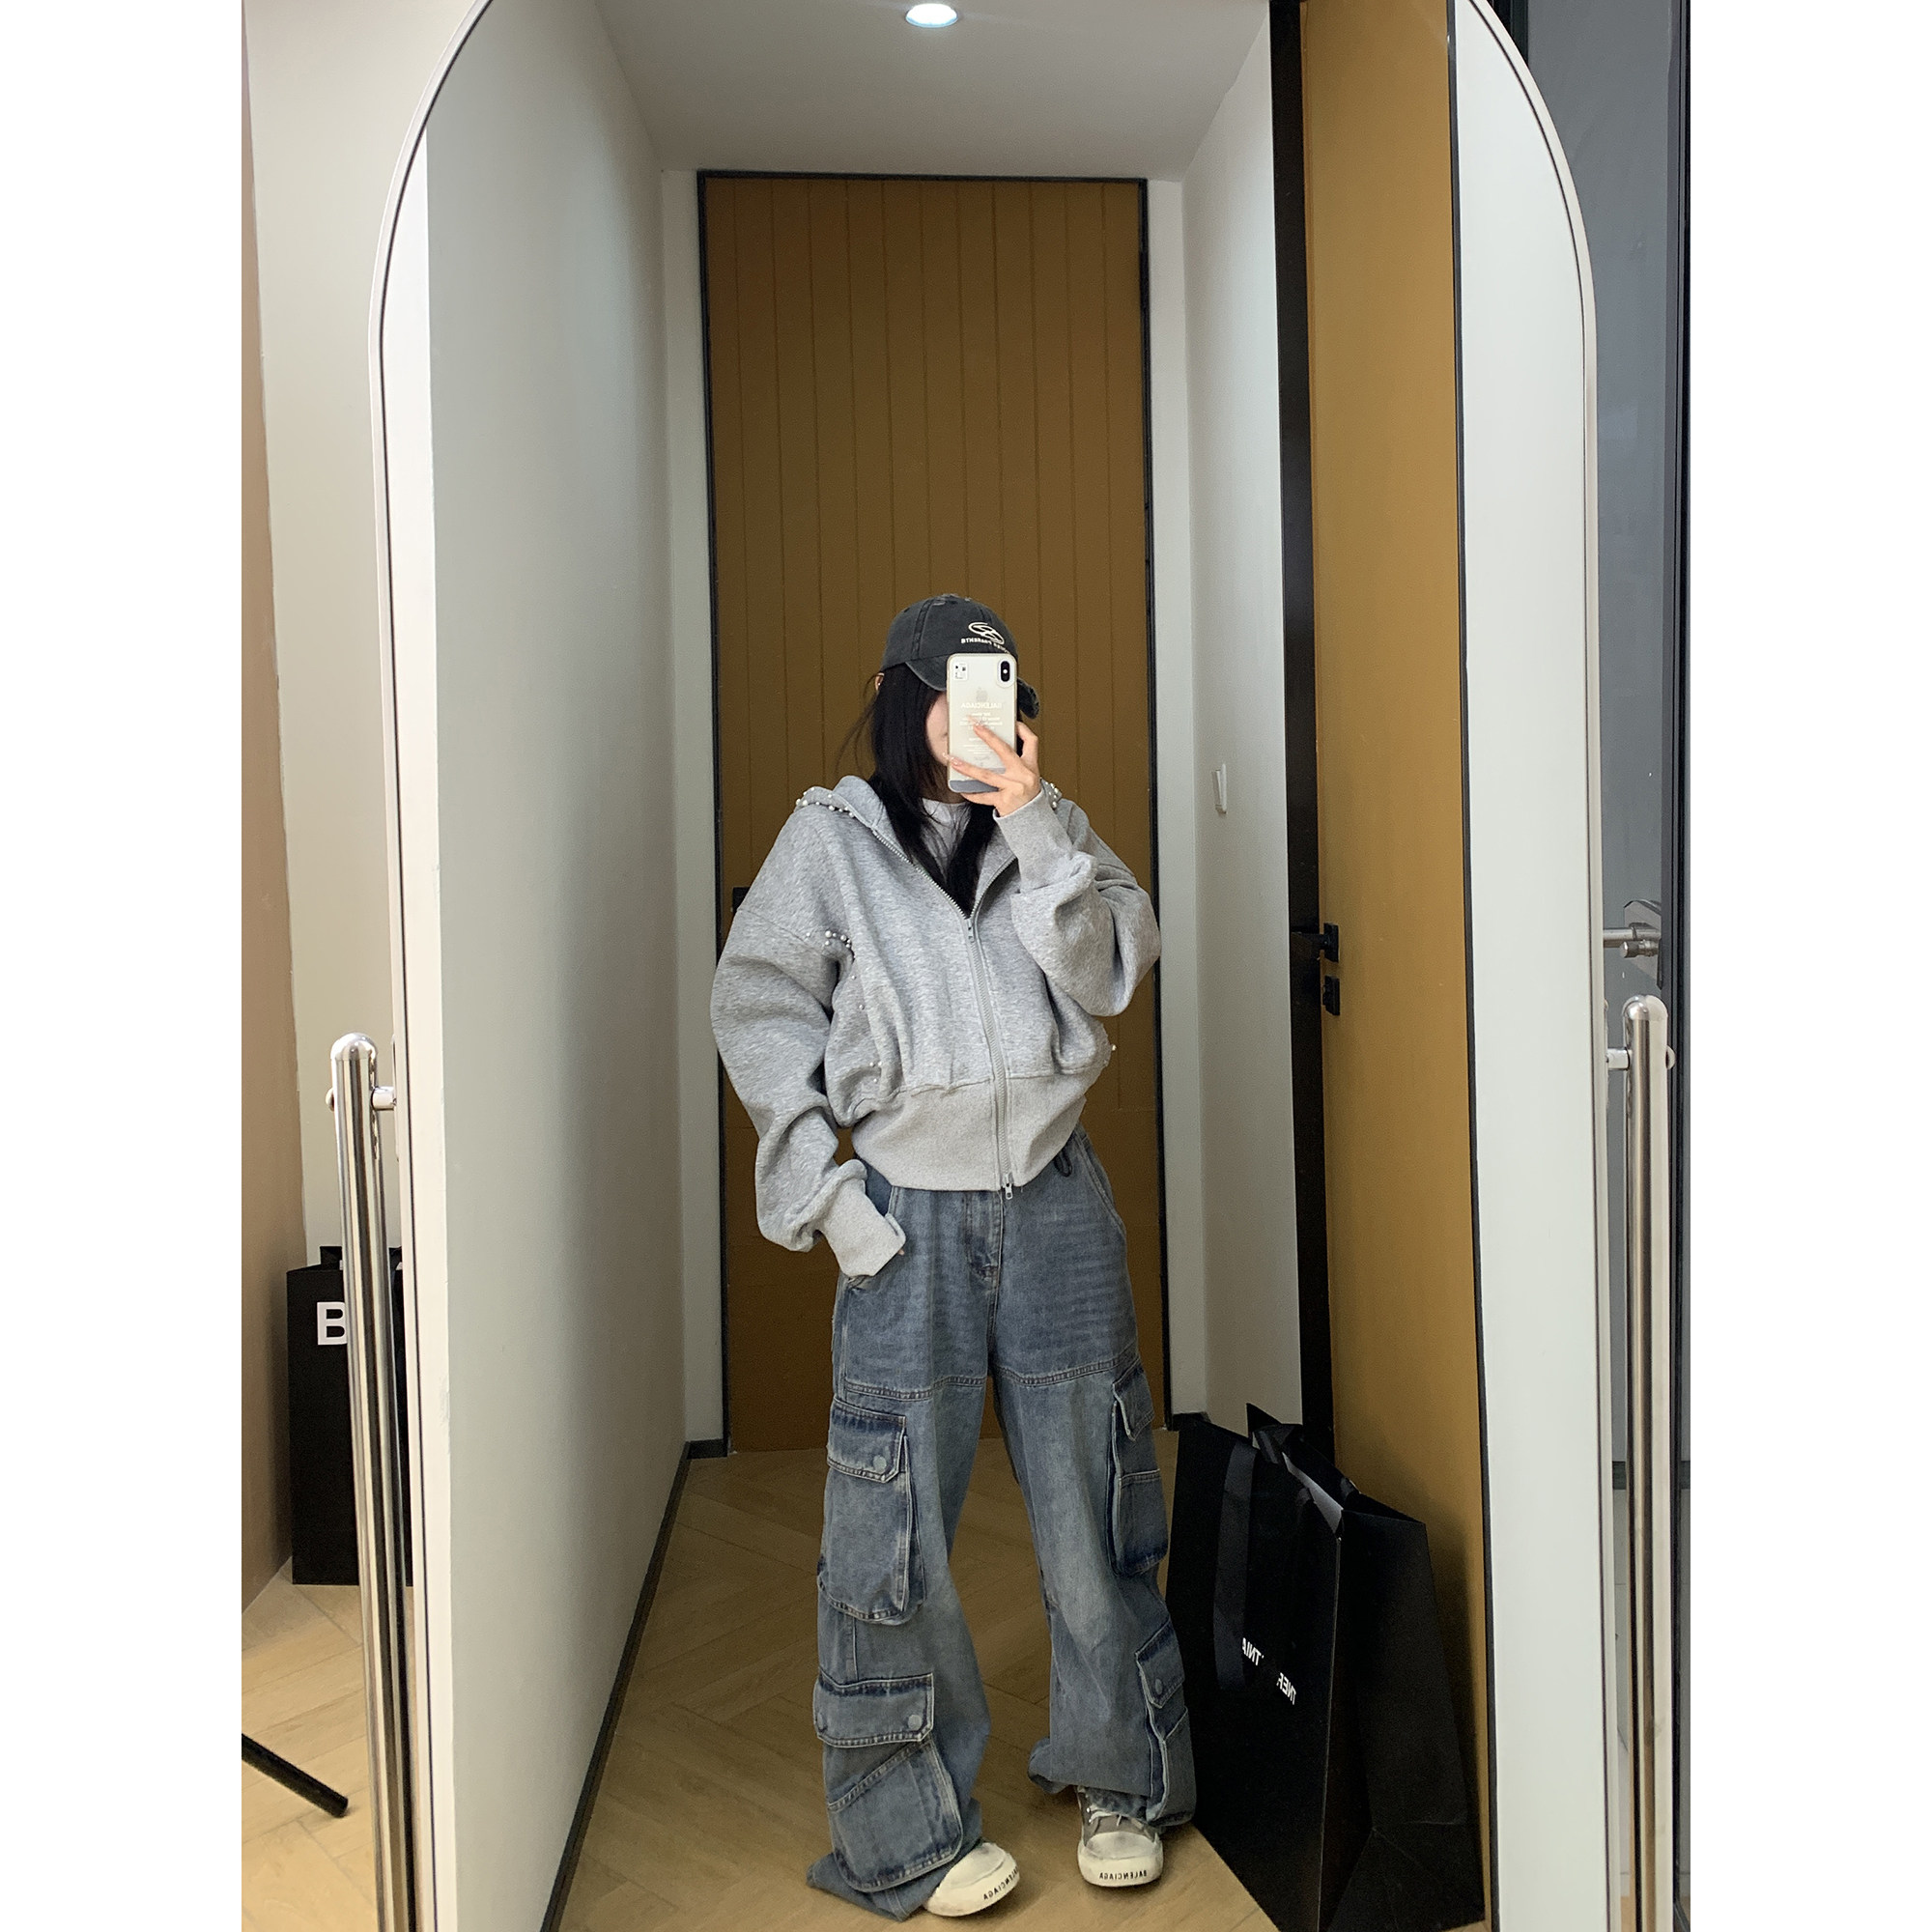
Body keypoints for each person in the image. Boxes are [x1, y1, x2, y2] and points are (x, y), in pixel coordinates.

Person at [710, 594, 1194, 1920]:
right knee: (895, 1529)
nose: (970, 709)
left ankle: (1122, 1777)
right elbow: (755, 1004)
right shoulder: (831, 841)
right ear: (898, 698)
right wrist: (828, 1198)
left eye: (994, 683)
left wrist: (1035, 822)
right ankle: (908, 1828)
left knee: (1092, 1504)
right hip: (904, 1222)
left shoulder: (1051, 825)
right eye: (946, 687)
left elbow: (1111, 971)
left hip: (1055, 1206)